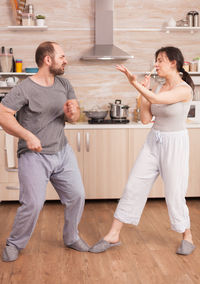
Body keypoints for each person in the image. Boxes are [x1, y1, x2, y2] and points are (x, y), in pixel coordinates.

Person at [89, 46, 196, 255]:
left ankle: (187, 236)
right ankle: (113, 235)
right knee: (133, 186)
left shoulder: (184, 89)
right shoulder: (158, 88)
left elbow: (157, 101)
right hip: (153, 141)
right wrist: (143, 92)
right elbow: (146, 119)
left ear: (174, 62)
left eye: (160, 60)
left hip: (175, 143)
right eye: (155, 60)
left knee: (175, 193)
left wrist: (135, 84)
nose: (156, 65)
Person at [0, 41, 89, 262]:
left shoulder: (65, 84)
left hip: (62, 151)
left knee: (77, 196)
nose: (66, 60)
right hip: (34, 156)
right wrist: (28, 136)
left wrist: (73, 112)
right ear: (48, 60)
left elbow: (74, 117)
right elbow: (3, 114)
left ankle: (71, 237)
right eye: (62, 57)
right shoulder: (24, 88)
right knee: (33, 204)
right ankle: (14, 243)